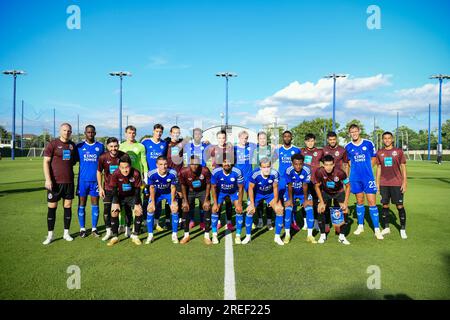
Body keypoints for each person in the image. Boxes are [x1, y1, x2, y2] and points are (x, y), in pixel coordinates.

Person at [345, 124, 384, 240]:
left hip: (368, 178)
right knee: (359, 201)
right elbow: (347, 162)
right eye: (352, 132)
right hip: (355, 178)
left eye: (355, 131)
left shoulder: (368, 143)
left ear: (359, 131)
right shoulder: (347, 147)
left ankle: (377, 229)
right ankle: (360, 226)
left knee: (372, 202)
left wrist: (367, 167)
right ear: (349, 133)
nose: (354, 134)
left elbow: (374, 158)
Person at [42, 123, 79, 245]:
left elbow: (73, 162)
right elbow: (46, 162)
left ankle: (66, 233)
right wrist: (48, 180)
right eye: (64, 130)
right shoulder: (53, 144)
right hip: (55, 183)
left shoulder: (72, 145)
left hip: (68, 182)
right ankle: (50, 235)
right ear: (60, 131)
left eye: (69, 131)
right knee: (52, 208)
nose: (67, 132)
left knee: (67, 207)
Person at [376, 131, 408, 239]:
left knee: (399, 206)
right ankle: (386, 227)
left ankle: (402, 229)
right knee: (385, 205)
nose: (387, 140)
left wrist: (404, 182)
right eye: (385, 138)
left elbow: (403, 166)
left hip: (396, 183)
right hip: (384, 183)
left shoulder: (398, 151)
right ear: (382, 140)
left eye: (389, 138)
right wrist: (377, 183)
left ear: (392, 139)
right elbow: (379, 168)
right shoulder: (379, 152)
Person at [107, 154, 144, 246]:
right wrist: (115, 202)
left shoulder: (136, 173)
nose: (125, 170)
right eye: (122, 167)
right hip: (120, 196)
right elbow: (114, 189)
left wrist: (137, 203)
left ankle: (135, 236)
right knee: (114, 211)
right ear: (119, 167)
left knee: (138, 211)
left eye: (127, 167)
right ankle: (115, 236)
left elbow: (137, 190)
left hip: (132, 195)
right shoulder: (115, 173)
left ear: (130, 166)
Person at [314, 155, 351, 245]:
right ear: (323, 165)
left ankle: (341, 236)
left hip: (339, 192)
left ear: (334, 164)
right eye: (326, 165)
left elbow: (348, 185)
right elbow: (317, 186)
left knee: (345, 211)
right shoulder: (319, 172)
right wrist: (321, 202)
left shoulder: (340, 173)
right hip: (326, 192)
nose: (328, 167)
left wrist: (345, 203)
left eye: (330, 164)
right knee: (320, 209)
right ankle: (322, 235)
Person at [247, 157, 284, 245]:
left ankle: (277, 237)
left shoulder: (275, 173)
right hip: (257, 194)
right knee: (249, 211)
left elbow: (275, 188)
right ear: (260, 167)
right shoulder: (255, 174)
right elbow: (250, 188)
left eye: (268, 167)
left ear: (270, 166)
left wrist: (275, 201)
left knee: (280, 209)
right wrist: (252, 204)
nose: (266, 169)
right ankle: (248, 236)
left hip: (269, 194)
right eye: (264, 167)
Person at [76, 125, 104, 238]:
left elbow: (103, 162)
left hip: (95, 181)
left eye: (92, 132)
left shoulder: (100, 147)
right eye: (88, 132)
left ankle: (94, 228)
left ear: (95, 133)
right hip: (82, 181)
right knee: (81, 204)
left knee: (95, 204)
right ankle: (82, 229)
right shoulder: (79, 147)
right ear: (85, 133)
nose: (90, 134)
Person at [118, 125, 148, 232]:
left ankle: (136, 226)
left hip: (136, 179)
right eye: (129, 133)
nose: (132, 135)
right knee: (122, 202)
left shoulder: (140, 146)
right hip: (123, 179)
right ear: (126, 134)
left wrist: (145, 178)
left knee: (136, 202)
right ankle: (122, 225)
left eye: (133, 133)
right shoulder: (121, 146)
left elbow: (144, 162)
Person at [97, 137, 126, 241]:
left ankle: (121, 230)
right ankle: (109, 231)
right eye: (111, 146)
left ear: (118, 145)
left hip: (120, 189)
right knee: (106, 210)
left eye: (115, 146)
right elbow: (99, 172)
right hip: (107, 188)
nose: (114, 148)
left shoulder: (123, 155)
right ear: (107, 147)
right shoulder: (103, 157)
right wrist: (100, 188)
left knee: (119, 210)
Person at [145, 156, 179, 244]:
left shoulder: (173, 173)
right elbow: (151, 188)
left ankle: (174, 235)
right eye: (161, 164)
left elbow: (173, 187)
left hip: (168, 193)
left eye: (165, 164)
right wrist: (152, 202)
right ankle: (150, 235)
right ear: (157, 165)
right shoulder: (151, 174)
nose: (163, 166)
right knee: (150, 209)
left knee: (175, 208)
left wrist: (173, 201)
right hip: (157, 194)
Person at [179, 155, 212, 244]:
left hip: (202, 191)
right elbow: (183, 185)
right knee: (185, 208)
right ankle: (186, 235)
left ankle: (207, 236)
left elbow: (209, 184)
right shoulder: (184, 171)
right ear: (189, 164)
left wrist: (206, 199)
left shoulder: (205, 170)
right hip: (190, 191)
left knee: (207, 207)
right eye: (192, 164)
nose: (194, 166)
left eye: (196, 164)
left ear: (199, 164)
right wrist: (185, 201)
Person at [284, 154, 316, 244]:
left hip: (303, 193)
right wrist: (290, 200)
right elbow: (289, 186)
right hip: (291, 193)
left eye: (300, 164)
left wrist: (305, 200)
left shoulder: (307, 170)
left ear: (303, 163)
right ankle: (287, 234)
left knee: (309, 209)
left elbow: (305, 185)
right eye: (296, 164)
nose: (298, 166)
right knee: (288, 210)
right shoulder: (288, 170)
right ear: (292, 164)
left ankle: (310, 235)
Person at [210, 158, 244, 244]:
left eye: (229, 162)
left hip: (233, 192)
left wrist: (239, 204)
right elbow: (213, 188)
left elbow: (240, 188)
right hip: (221, 192)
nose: (226, 164)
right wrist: (215, 203)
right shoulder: (216, 172)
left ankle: (238, 236)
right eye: (224, 162)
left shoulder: (237, 171)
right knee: (214, 209)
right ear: (221, 163)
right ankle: (214, 235)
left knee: (239, 210)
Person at [141, 124, 168, 231]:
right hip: (148, 177)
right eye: (157, 131)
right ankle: (144, 222)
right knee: (147, 199)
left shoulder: (164, 144)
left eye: (160, 131)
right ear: (153, 131)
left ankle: (156, 223)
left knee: (159, 199)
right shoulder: (145, 142)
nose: (158, 133)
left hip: (160, 176)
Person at [183, 128, 211, 230]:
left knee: (202, 201)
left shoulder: (206, 146)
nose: (197, 136)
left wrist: (210, 142)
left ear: (202, 136)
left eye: (199, 134)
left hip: (202, 176)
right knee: (190, 201)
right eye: (195, 134)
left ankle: (203, 221)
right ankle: (191, 220)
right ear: (193, 136)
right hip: (190, 176)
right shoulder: (187, 146)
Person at [273, 130, 302, 231]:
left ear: (291, 138)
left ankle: (292, 221)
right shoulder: (278, 150)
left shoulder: (296, 150)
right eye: (285, 136)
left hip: (293, 179)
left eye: (288, 136)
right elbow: (272, 161)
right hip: (282, 179)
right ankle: (281, 221)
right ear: (283, 138)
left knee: (292, 199)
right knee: (281, 199)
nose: (287, 138)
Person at [208, 129, 236, 231]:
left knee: (228, 200)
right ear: (217, 138)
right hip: (217, 177)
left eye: (223, 138)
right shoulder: (213, 149)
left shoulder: (229, 149)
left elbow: (231, 162)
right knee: (217, 199)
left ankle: (229, 222)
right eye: (219, 138)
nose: (221, 139)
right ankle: (218, 221)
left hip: (227, 176)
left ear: (226, 138)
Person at [301, 133, 324, 232]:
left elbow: (326, 163)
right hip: (304, 181)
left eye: (312, 141)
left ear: (314, 141)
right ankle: (305, 223)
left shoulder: (319, 152)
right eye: (308, 141)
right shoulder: (301, 151)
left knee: (315, 202)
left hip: (316, 181)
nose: (310, 143)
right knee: (304, 202)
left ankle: (315, 223)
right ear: (305, 142)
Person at [252, 131, 274, 230]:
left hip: (269, 177)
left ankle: (269, 221)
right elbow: (253, 166)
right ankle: (260, 220)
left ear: (266, 139)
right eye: (260, 138)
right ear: (258, 140)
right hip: (259, 178)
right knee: (259, 200)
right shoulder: (255, 150)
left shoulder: (272, 149)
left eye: (264, 138)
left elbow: (275, 163)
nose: (262, 140)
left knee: (270, 201)